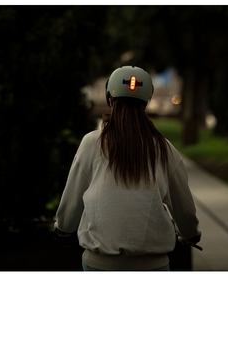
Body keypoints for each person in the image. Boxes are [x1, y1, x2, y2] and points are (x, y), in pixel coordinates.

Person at [54, 65, 201, 271]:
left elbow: (72, 200)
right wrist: (189, 234)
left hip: (99, 265)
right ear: (146, 103)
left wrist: (64, 227)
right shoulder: (164, 148)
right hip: (153, 266)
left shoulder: (92, 143)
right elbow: (183, 208)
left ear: (110, 100)